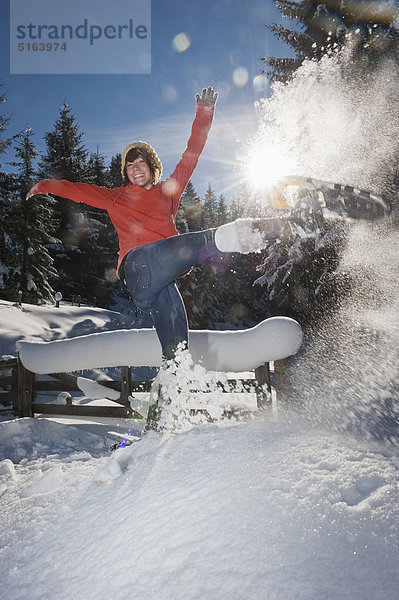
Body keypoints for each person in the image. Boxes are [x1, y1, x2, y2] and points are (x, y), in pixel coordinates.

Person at [28, 86, 288, 363]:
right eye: (130, 165)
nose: (136, 168)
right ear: (125, 172)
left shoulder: (169, 191)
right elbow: (77, 189)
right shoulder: (115, 197)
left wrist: (205, 111)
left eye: (141, 163)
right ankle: (258, 230)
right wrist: (44, 185)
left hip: (161, 279)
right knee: (179, 248)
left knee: (177, 351)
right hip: (138, 268)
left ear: (153, 168)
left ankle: (174, 387)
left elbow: (192, 152)